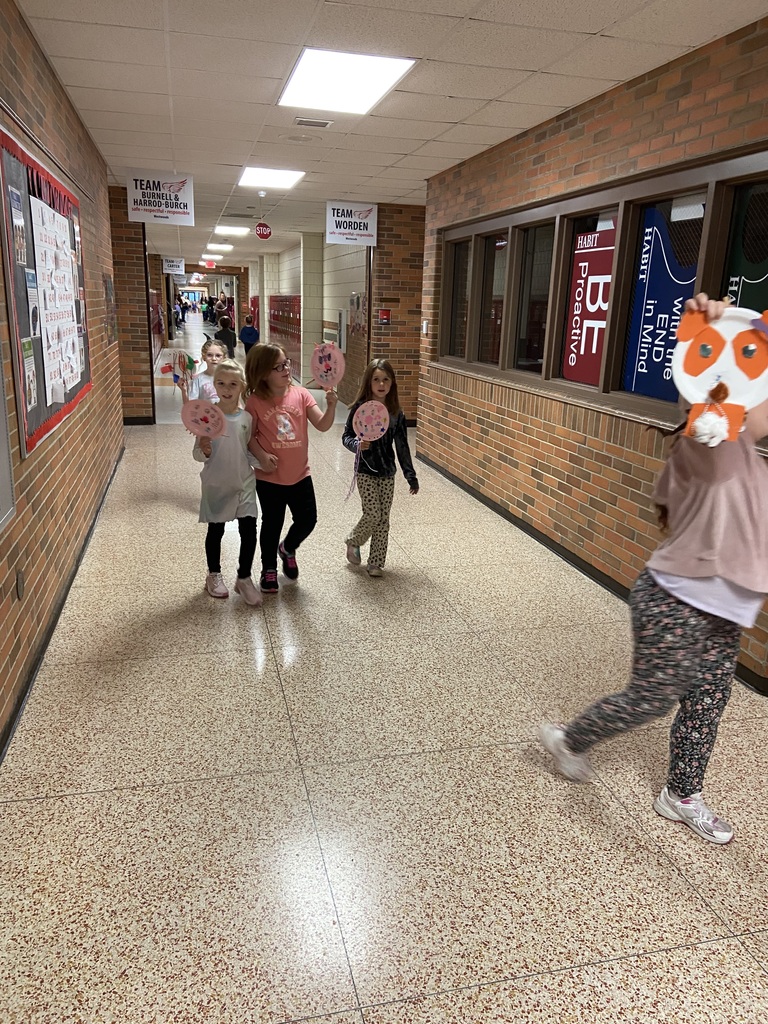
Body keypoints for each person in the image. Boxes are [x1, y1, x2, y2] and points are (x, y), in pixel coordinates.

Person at [539, 292, 768, 846]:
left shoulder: (751, 458)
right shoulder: (710, 446)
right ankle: (568, 739)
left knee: (708, 700)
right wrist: (704, 331)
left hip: (724, 607)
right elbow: (707, 409)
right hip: (676, 599)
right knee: (656, 695)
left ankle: (681, 794)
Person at [244, 343, 337, 593]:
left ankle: (287, 547)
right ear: (263, 372)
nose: (286, 369)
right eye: (279, 366)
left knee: (308, 519)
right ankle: (269, 569)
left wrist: (331, 405)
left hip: (300, 474)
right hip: (270, 478)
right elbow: (249, 437)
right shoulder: (255, 402)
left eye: (287, 363)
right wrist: (262, 456)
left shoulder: (302, 394)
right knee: (272, 524)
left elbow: (322, 425)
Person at [193, 359, 262, 606]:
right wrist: (205, 449)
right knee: (216, 530)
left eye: (233, 384)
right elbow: (197, 454)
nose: (227, 388)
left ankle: (244, 577)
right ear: (214, 385)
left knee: (249, 529)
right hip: (216, 483)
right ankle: (213, 574)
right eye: (221, 383)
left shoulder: (246, 418)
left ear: (242, 386)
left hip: (244, 482)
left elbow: (246, 450)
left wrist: (265, 462)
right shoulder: (207, 417)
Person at [342, 359, 419, 576]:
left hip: (387, 472)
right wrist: (357, 444)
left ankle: (375, 562)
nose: (381, 384)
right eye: (376, 379)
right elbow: (346, 436)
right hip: (365, 470)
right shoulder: (359, 409)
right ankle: (353, 540)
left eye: (386, 379)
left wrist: (410, 476)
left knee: (384, 519)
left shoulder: (396, 413)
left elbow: (402, 447)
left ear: (392, 383)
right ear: (369, 382)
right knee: (373, 513)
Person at [178, 339, 225, 404]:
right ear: (204, 357)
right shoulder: (197, 379)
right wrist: (184, 391)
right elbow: (190, 405)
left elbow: (235, 402)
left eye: (218, 355)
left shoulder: (229, 378)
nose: (214, 359)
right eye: (209, 355)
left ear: (224, 358)